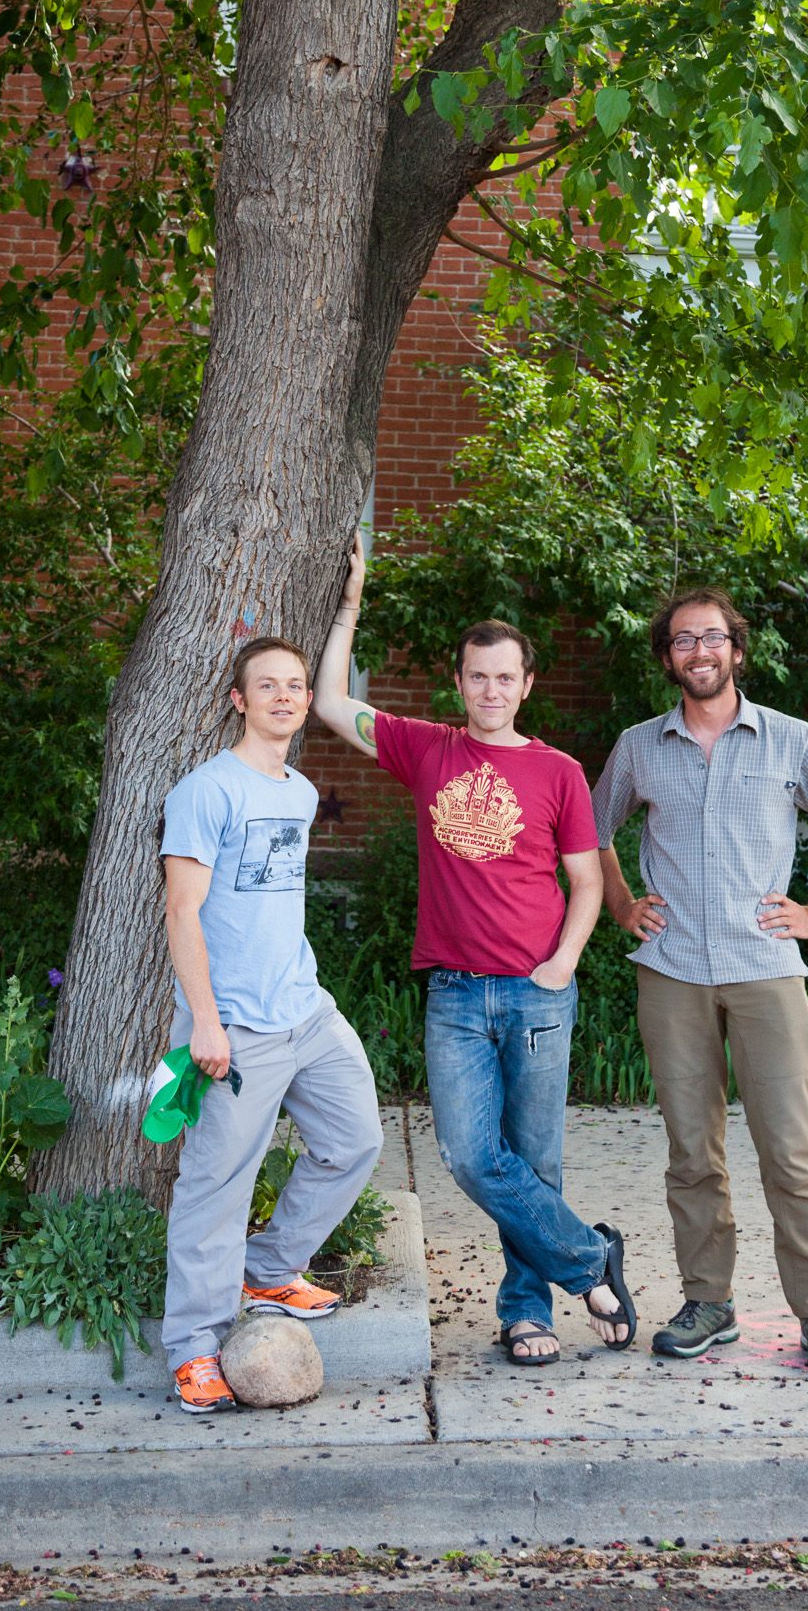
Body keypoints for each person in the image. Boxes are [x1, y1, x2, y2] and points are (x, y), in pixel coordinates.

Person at [313, 535, 636, 1365]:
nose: (491, 690)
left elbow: (589, 882)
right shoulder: (427, 749)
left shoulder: (559, 771)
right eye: (476, 675)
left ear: (525, 685)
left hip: (535, 992)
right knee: (467, 1155)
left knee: (533, 1159)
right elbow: (326, 705)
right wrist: (349, 606)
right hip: (454, 995)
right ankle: (591, 1260)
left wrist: (563, 962)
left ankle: (526, 1312)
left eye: (506, 677)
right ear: (457, 683)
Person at [592, 587, 808, 1371]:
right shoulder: (638, 747)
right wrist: (621, 904)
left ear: (736, 650)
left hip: (764, 973)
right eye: (683, 640)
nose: (699, 652)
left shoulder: (792, 741)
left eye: (711, 637)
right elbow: (588, 836)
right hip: (672, 971)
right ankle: (707, 1302)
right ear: (667, 658)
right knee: (692, 1152)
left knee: (790, 1153)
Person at [159, 635, 385, 1413]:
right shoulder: (204, 791)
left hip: (306, 1010)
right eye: (268, 686)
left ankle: (269, 1267)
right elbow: (181, 914)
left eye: (295, 686)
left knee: (355, 1139)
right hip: (238, 1027)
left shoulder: (299, 791)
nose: (286, 698)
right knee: (215, 1186)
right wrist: (206, 1024)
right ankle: (192, 1348)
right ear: (239, 700)